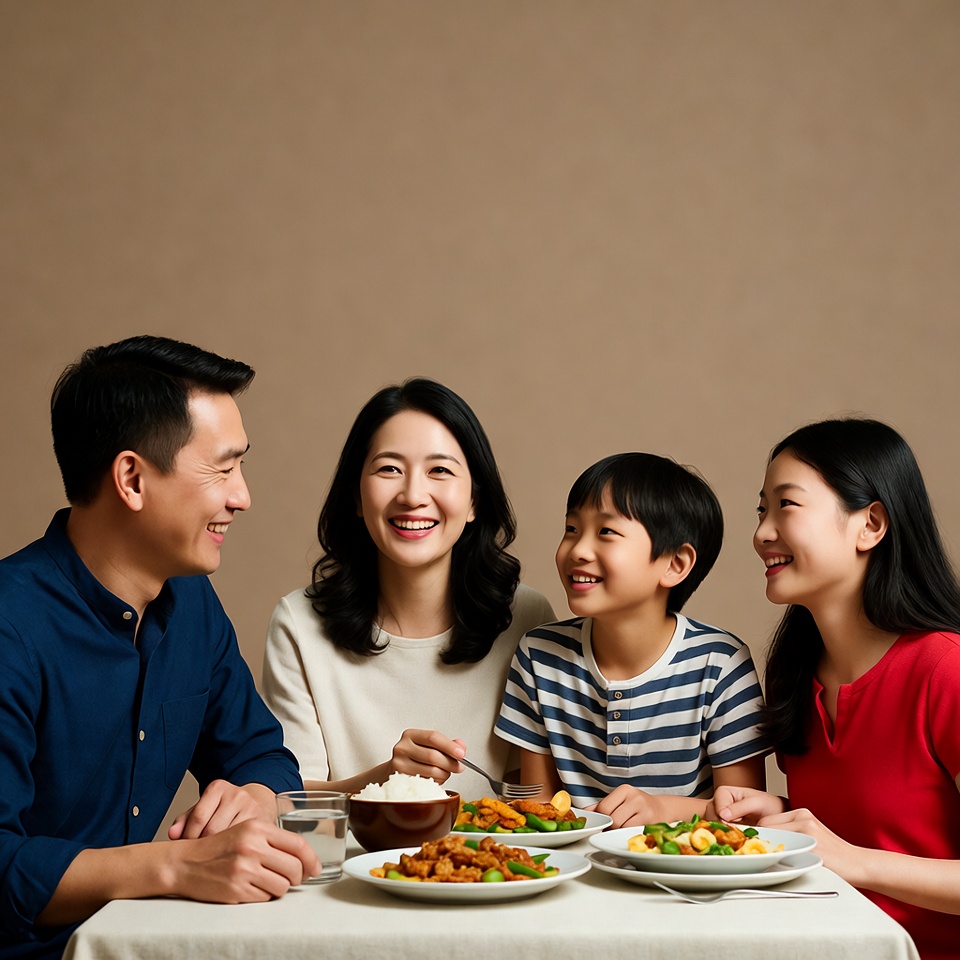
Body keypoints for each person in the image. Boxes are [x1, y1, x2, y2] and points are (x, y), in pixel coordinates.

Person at [0, 336, 319, 960]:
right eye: (223, 469)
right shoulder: (12, 625)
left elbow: (262, 753)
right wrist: (175, 866)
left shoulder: (192, 604)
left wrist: (251, 798)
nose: (242, 496)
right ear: (132, 479)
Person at [709, 418, 960, 960]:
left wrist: (851, 858)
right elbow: (885, 820)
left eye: (786, 506)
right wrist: (782, 811)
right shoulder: (795, 671)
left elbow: (857, 854)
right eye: (761, 510)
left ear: (870, 525)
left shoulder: (947, 671)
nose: (762, 532)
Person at [261, 378, 555, 800]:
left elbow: (541, 802)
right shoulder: (300, 625)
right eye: (389, 469)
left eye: (440, 470)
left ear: (475, 500)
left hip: (499, 863)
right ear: (357, 498)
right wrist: (386, 779)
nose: (414, 495)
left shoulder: (528, 619)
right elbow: (289, 804)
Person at [496, 452, 769, 828]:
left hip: (687, 877)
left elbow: (745, 817)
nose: (577, 550)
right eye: (572, 529)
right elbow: (539, 815)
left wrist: (662, 811)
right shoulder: (538, 655)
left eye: (606, 532)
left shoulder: (720, 663)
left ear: (675, 564)